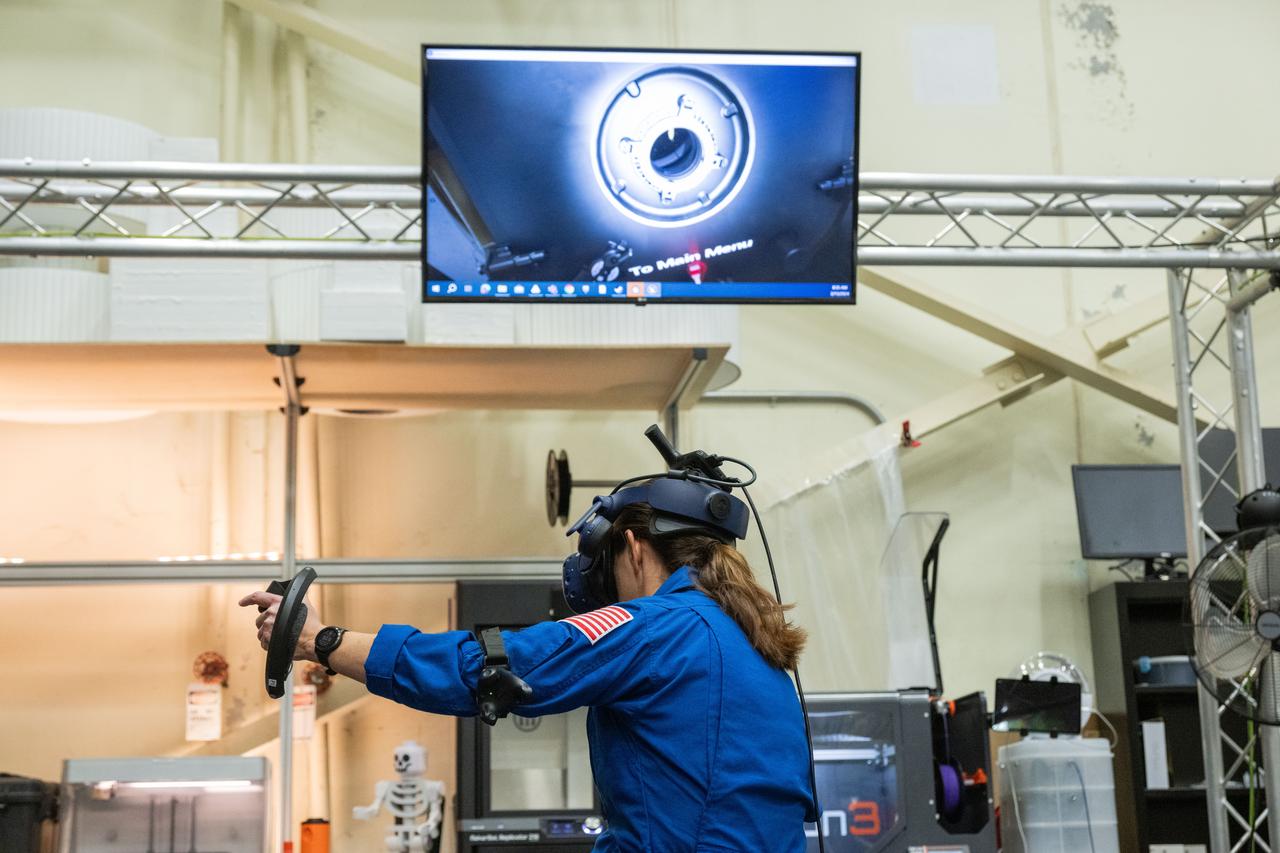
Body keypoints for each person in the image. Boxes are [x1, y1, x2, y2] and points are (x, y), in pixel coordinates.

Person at [241, 503, 816, 852]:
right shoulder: (752, 642)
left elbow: (497, 665)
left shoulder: (660, 626)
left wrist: (321, 641)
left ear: (635, 550)